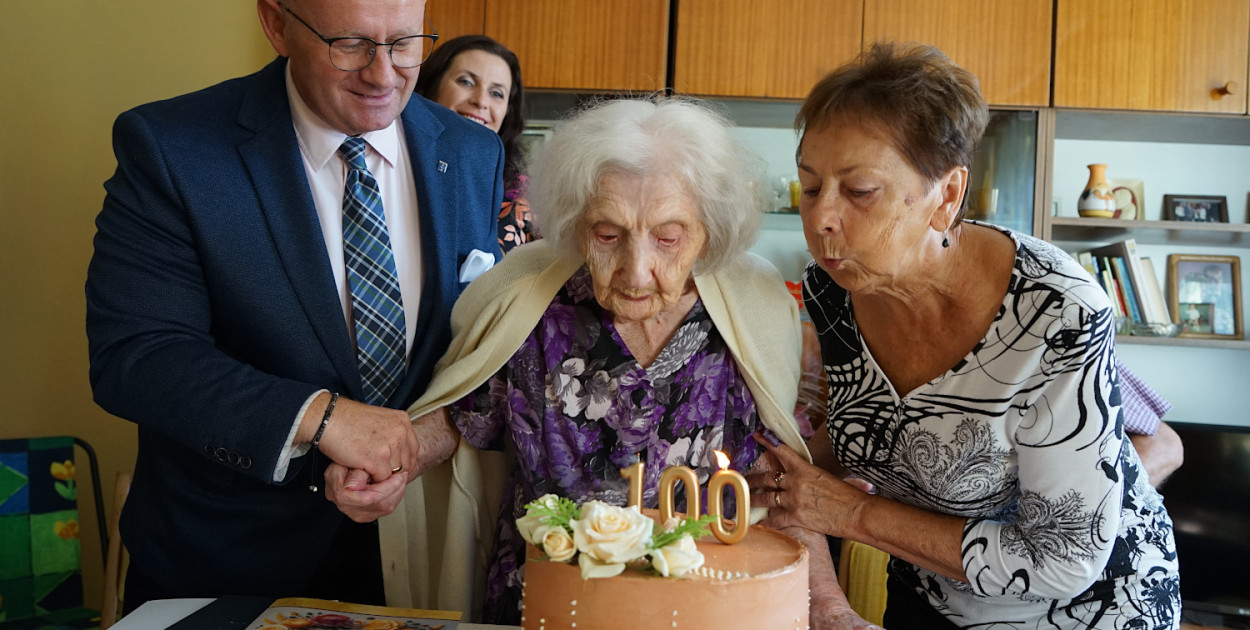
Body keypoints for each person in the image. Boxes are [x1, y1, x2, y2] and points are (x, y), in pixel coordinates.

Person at [330, 96, 876, 628]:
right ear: (574, 224)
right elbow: (461, 415)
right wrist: (389, 461)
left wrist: (830, 608)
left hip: (701, 608)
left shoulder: (749, 314)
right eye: (608, 235)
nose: (636, 271)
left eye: (667, 237)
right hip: (547, 604)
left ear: (709, 230)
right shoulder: (531, 306)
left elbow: (778, 478)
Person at [85, 0, 504, 611]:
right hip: (225, 565)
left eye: (405, 43)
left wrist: (427, 439)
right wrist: (323, 419)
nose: (384, 75)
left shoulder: (472, 152)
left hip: (420, 561)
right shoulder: (173, 146)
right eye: (351, 44)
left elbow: (485, 347)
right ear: (277, 25)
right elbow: (138, 356)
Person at [751, 43, 1180, 629]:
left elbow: (1066, 557)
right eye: (809, 186)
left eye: (859, 191)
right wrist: (776, 466)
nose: (821, 216)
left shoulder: (1054, 310)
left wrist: (851, 513)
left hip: (1085, 611)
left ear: (946, 195)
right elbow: (883, 429)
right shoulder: (832, 291)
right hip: (929, 595)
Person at [415, 35, 534, 253]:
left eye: (496, 93)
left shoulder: (530, 197)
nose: (481, 101)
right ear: (432, 86)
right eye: (466, 82)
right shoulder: (396, 164)